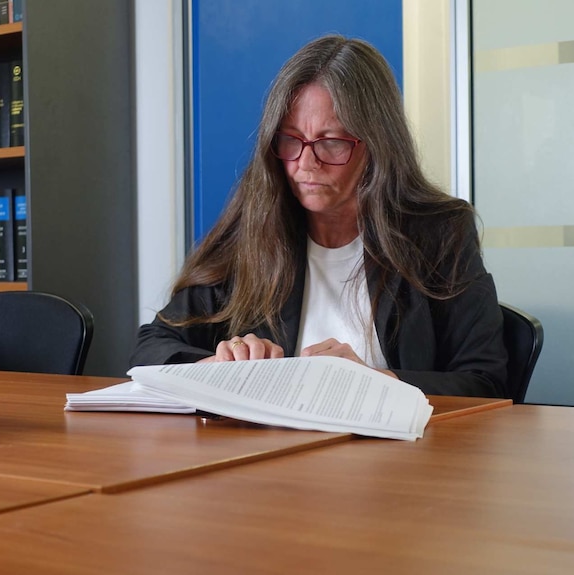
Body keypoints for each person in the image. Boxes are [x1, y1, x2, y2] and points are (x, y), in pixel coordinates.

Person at [130, 34, 507, 398]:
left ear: (377, 146)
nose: (305, 164)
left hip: (401, 458)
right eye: (291, 140)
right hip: (269, 453)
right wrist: (218, 364)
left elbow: (485, 383)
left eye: (330, 142)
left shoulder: (439, 233)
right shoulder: (256, 225)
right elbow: (152, 345)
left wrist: (375, 381)